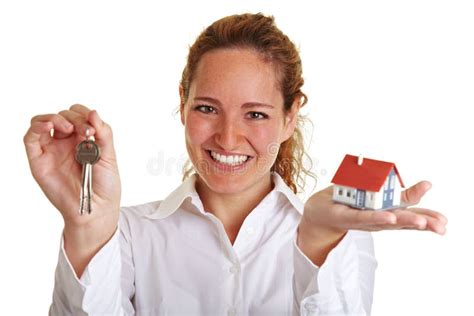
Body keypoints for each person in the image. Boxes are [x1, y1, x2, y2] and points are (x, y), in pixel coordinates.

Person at [24, 13, 447, 315]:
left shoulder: (340, 235)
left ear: (290, 117)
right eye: (207, 108)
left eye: (256, 114)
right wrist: (87, 228)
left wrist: (317, 240)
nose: (227, 138)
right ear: (182, 102)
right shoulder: (128, 236)